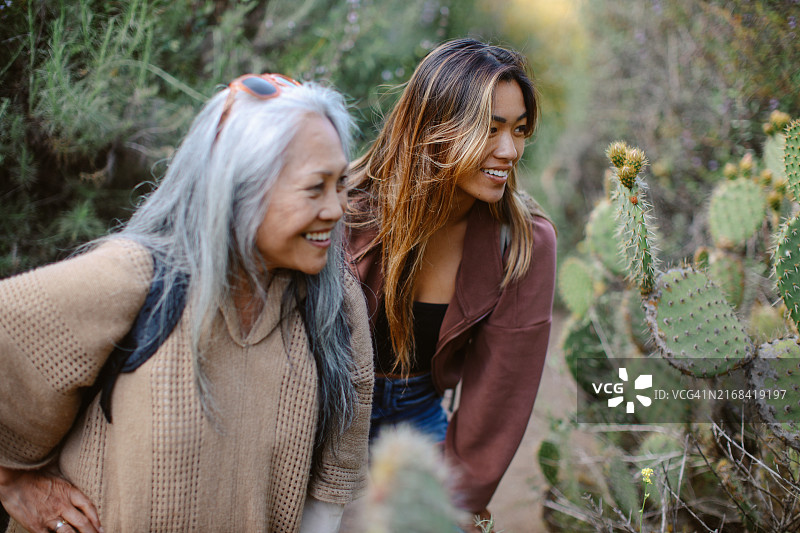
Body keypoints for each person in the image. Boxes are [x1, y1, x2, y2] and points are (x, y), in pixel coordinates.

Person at [0, 74, 373, 532]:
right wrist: (11, 480)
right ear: (239, 188)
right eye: (315, 187)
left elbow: (334, 479)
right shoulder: (134, 279)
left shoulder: (334, 304)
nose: (336, 209)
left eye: (340, 184)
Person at [346, 38, 557, 528]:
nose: (510, 151)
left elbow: (501, 389)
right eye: (490, 128)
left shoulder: (522, 242)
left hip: (421, 421)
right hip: (330, 420)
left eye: (520, 130)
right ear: (433, 126)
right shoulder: (345, 210)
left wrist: (462, 500)